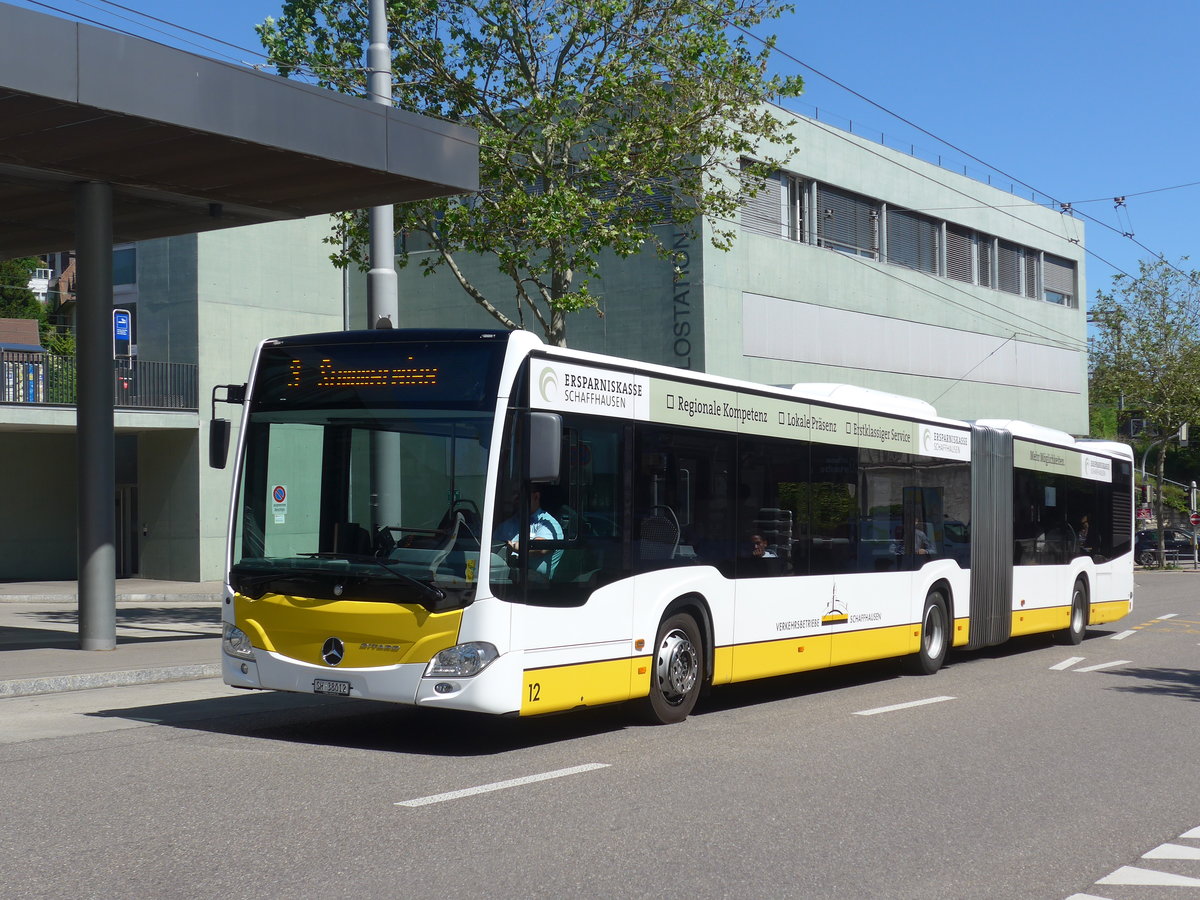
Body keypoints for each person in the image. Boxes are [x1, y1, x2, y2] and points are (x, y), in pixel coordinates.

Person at [496, 486, 563, 577]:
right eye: (513, 495)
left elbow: (540, 548)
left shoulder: (549, 524)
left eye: (519, 495)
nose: (514, 499)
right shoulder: (508, 524)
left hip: (536, 585)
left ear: (536, 496)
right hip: (503, 579)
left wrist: (513, 546)